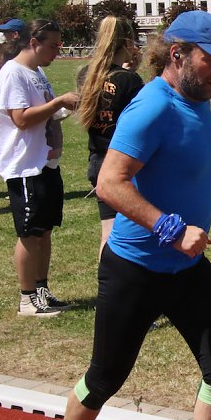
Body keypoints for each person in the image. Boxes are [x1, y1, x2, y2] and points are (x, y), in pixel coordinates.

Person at [59, 10, 211, 420]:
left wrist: (201, 203)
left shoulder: (197, 101)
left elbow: (178, 165)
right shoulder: (153, 105)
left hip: (185, 269)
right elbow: (109, 182)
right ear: (177, 55)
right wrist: (174, 228)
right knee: (105, 377)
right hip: (135, 268)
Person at [0, 19, 79, 317]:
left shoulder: (37, 73)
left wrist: (63, 108)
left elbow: (45, 112)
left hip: (45, 162)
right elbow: (21, 118)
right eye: (53, 46)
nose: (58, 52)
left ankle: (41, 290)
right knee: (30, 233)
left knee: (44, 231)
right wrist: (58, 102)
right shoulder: (13, 73)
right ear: (34, 43)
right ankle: (27, 298)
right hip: (25, 166)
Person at [77, 16, 143, 258]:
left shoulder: (88, 75)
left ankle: (106, 288)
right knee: (129, 234)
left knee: (109, 231)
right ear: (126, 42)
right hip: (122, 163)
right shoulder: (129, 81)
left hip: (97, 159)